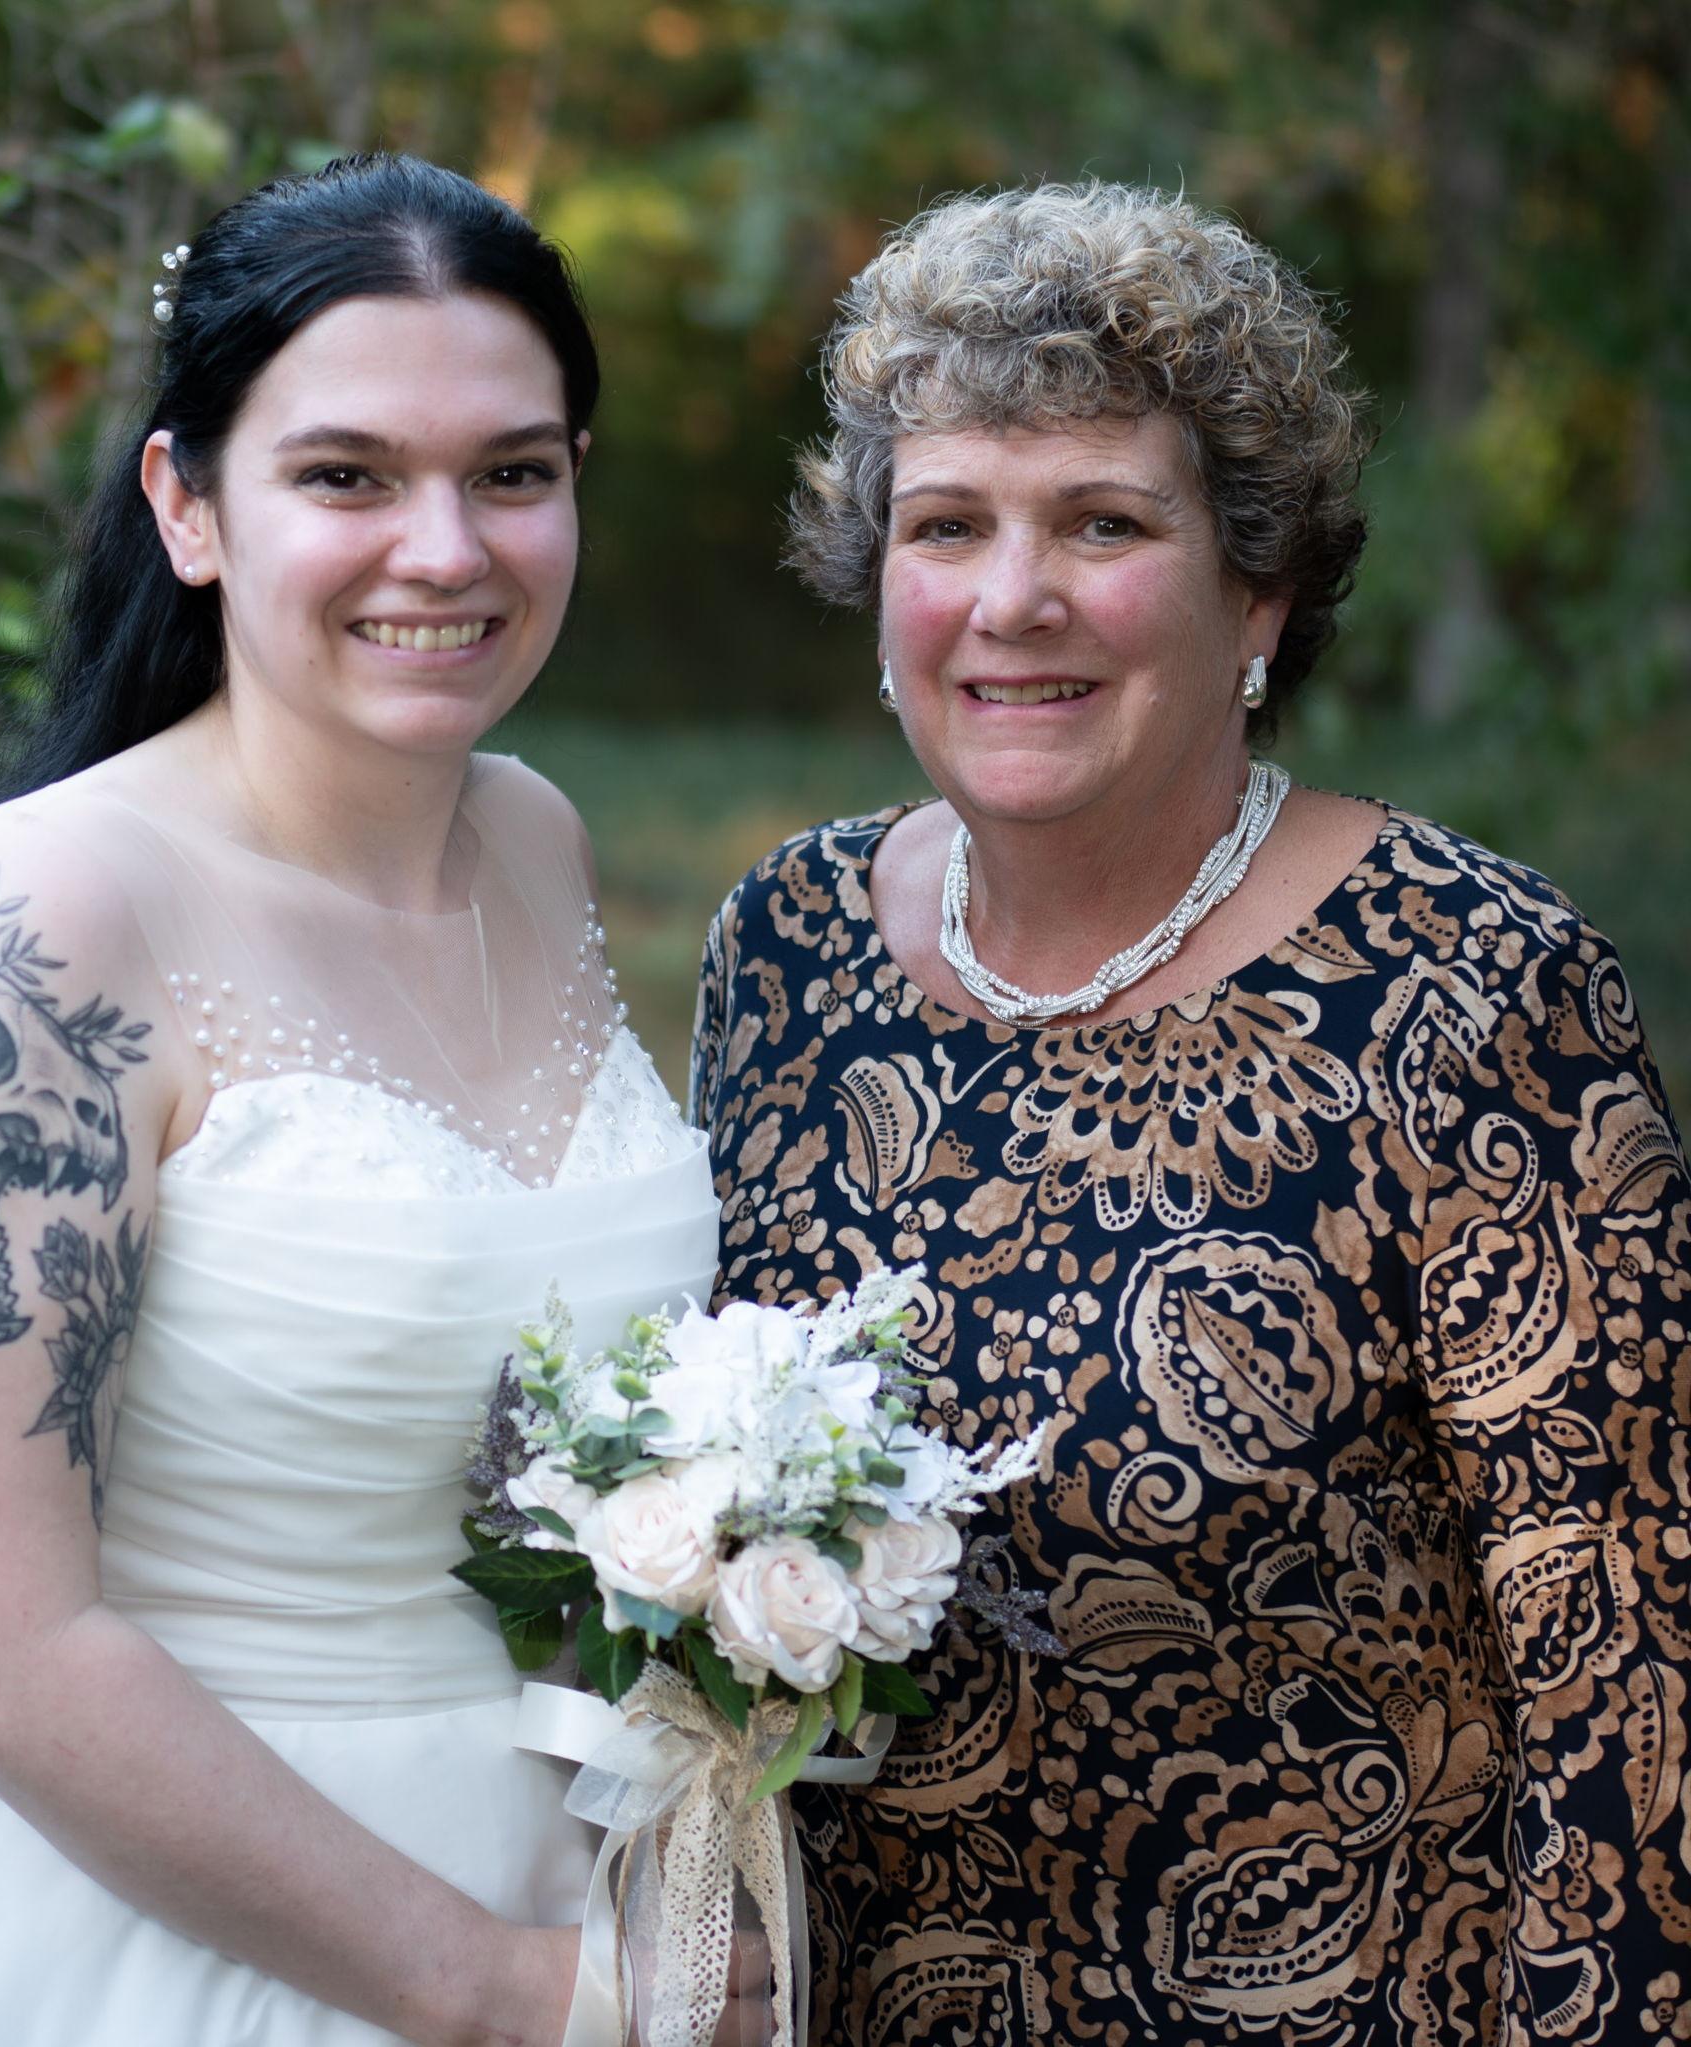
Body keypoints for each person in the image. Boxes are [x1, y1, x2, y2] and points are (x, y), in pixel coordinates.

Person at [0, 154, 725, 2046]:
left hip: (584, 1892)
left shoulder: (535, 841)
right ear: (187, 503)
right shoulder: (45, 917)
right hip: (189, 1925)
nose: (446, 549)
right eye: (347, 476)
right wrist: (496, 1996)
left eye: (511, 473)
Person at [691, 180, 1691, 2045]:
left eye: (1105, 522)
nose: (1013, 599)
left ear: (1260, 591)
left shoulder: (1472, 988)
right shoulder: (788, 945)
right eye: (949, 525)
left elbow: (1633, 1696)